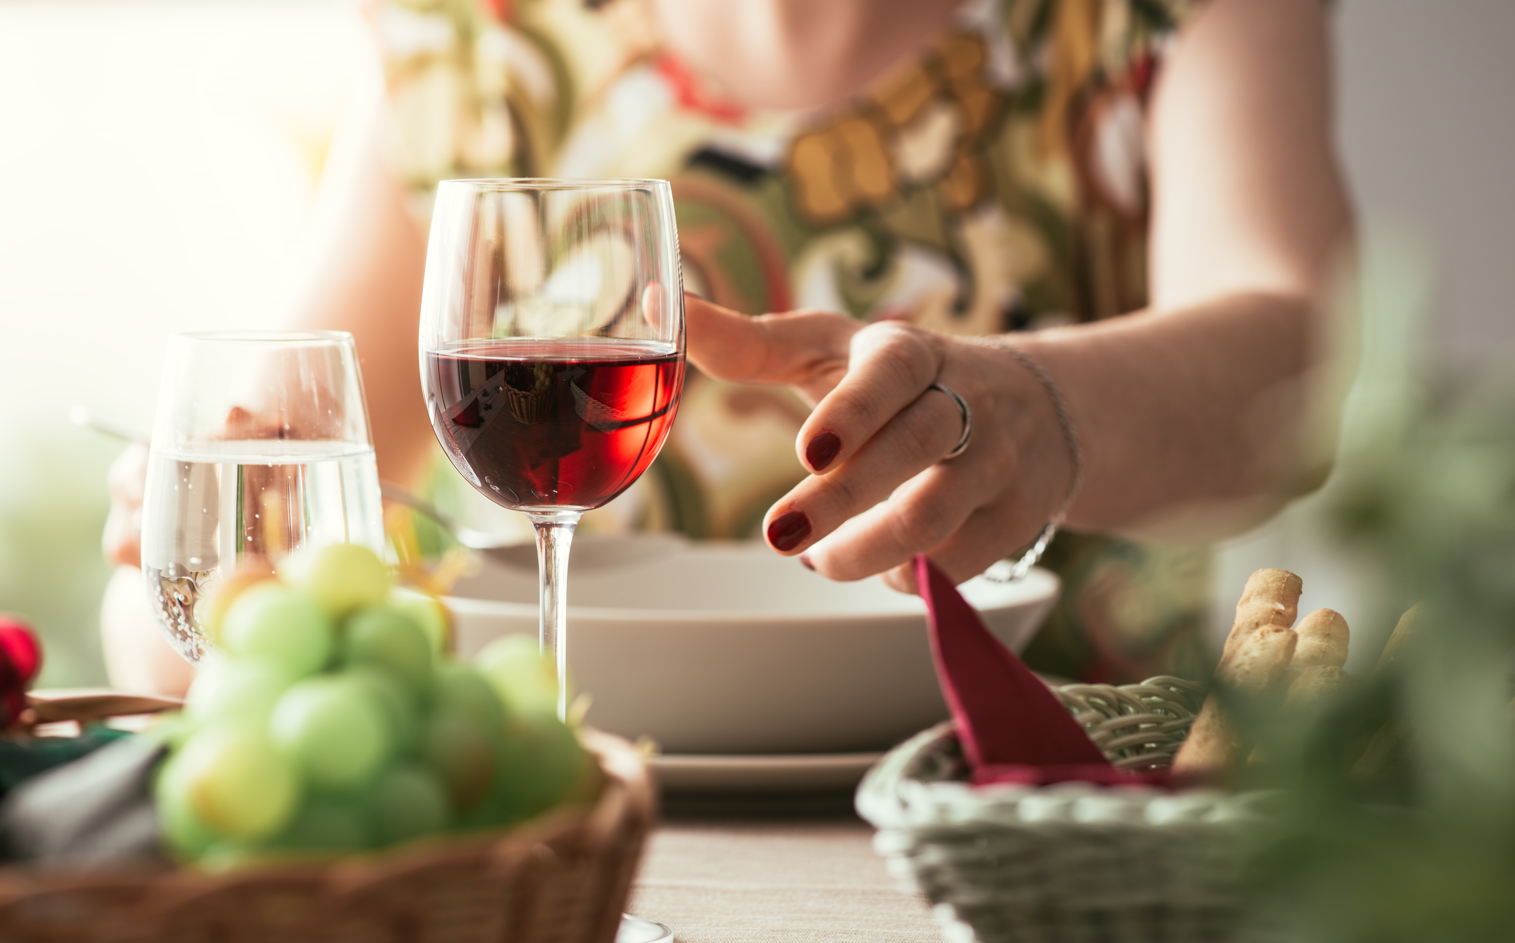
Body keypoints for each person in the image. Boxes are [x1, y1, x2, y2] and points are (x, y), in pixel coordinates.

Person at [103, 0, 1352, 693]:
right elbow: (198, 606)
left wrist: (1043, 407)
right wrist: (205, 550)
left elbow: (1300, 361)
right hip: (608, 849)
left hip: (1041, 835)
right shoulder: (479, 43)